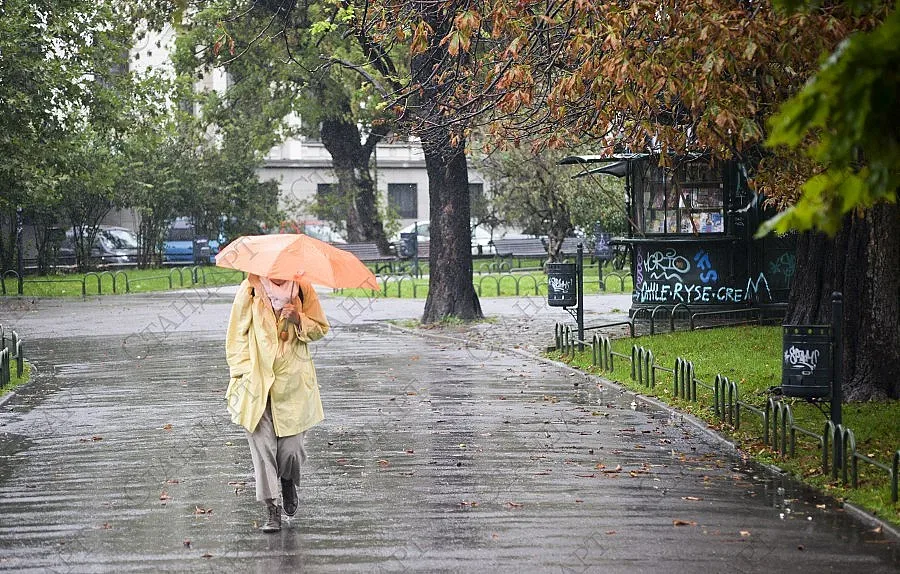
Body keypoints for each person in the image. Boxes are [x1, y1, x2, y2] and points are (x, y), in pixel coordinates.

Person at [225, 273, 329, 533]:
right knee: (263, 451)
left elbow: (320, 328)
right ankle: (272, 509)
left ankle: (288, 480)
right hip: (257, 383)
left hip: (294, 384)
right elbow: (236, 335)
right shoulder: (250, 290)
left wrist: (298, 319)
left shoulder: (303, 288)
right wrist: (242, 372)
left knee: (291, 451)